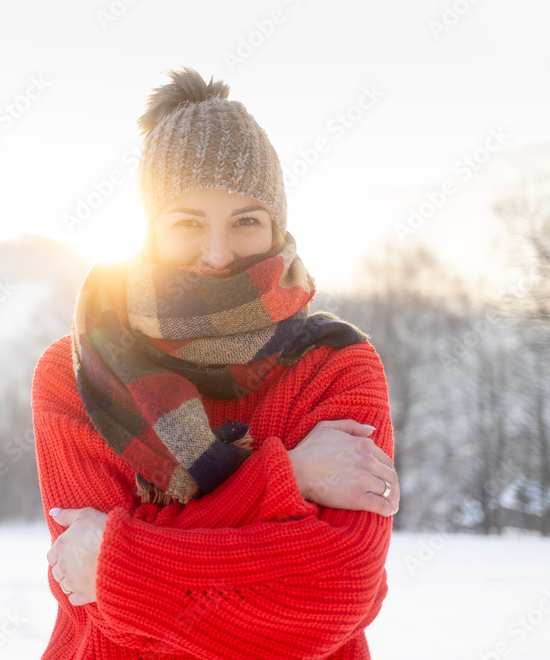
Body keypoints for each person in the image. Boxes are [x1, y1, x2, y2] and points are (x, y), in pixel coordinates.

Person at [32, 67, 400, 660]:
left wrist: (123, 561)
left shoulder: (337, 363)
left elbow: (336, 592)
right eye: (187, 222)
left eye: (246, 221)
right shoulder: (82, 370)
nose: (218, 253)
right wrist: (291, 478)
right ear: (149, 229)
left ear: (277, 226)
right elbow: (96, 604)